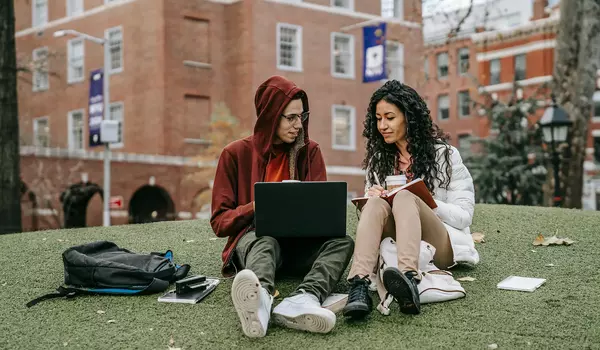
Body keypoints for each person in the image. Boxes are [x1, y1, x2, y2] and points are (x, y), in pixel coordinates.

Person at [210, 75, 354, 337]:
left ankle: (305, 298)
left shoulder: (310, 152)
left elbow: (321, 213)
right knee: (265, 240)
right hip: (257, 243)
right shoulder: (235, 154)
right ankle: (261, 299)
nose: (299, 125)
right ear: (270, 116)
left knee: (343, 241)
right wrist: (258, 206)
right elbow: (220, 222)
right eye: (291, 117)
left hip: (300, 248)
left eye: (302, 116)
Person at [342, 80, 479, 319]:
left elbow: (464, 216)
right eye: (378, 118)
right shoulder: (378, 161)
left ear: (409, 118)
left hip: (439, 244)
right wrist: (373, 198)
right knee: (375, 203)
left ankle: (408, 278)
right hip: (395, 241)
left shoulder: (445, 156)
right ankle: (359, 285)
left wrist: (423, 199)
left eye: (390, 117)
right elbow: (374, 221)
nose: (382, 125)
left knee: (406, 196)